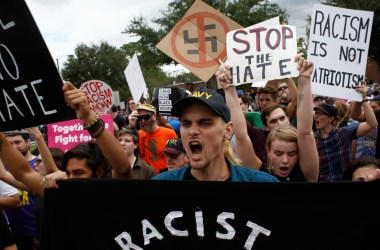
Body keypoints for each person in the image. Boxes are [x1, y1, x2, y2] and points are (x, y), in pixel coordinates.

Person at [0, 82, 133, 199]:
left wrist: (87, 116)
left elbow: (123, 169)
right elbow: (23, 173)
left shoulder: (110, 196)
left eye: (79, 172)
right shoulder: (62, 194)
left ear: (98, 172)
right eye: (67, 173)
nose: (70, 179)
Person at [152, 84, 278, 182]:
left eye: (205, 123)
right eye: (186, 124)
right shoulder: (160, 189)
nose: (192, 131)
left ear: (227, 131)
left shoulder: (261, 186)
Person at [314, 82, 378, 182]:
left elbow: (371, 123)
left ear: (330, 118)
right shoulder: (312, 139)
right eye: (315, 113)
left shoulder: (344, 133)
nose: (316, 116)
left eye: (320, 114)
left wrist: (363, 99)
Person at [3, 130, 38, 250]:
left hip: (34, 230)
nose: (13, 146)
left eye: (17, 142)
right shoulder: (3, 167)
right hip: (10, 231)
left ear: (28, 142)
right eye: (9, 143)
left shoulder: (39, 164)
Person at [136, 103, 178, 173]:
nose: (143, 121)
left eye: (146, 117)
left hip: (165, 177)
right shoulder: (139, 134)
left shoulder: (169, 133)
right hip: (147, 177)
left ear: (154, 116)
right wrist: (130, 125)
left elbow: (179, 157)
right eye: (140, 118)